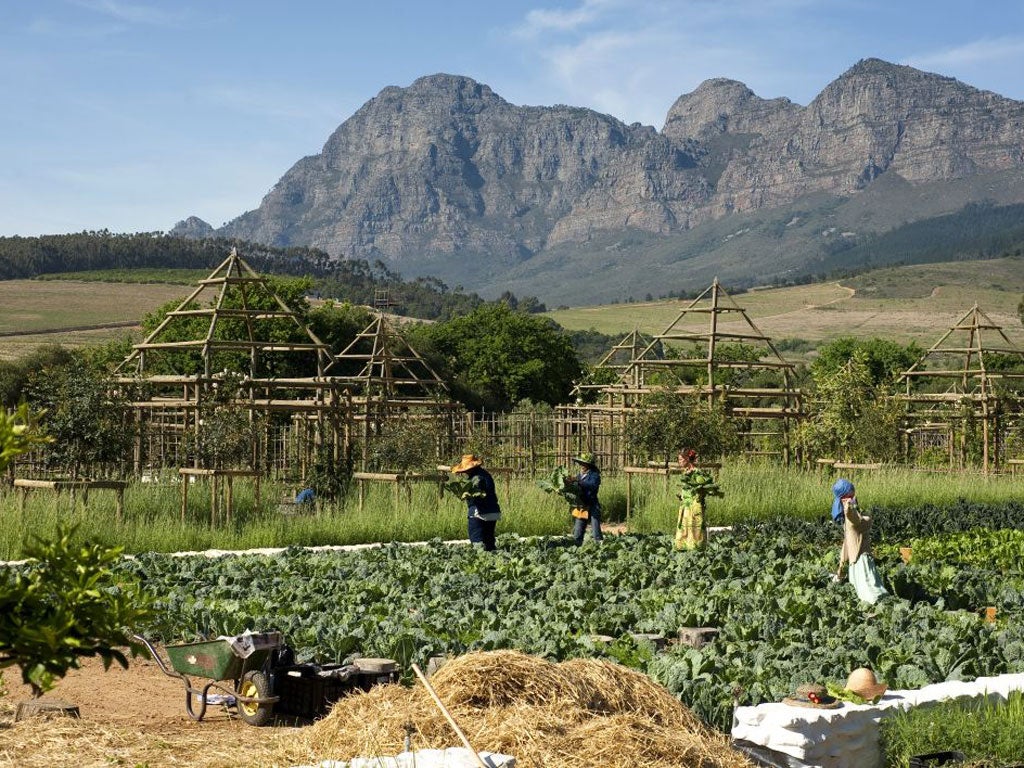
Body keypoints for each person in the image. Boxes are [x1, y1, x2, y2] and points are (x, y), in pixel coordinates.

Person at [832, 477, 888, 604]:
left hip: (858, 561)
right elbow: (852, 515)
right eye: (852, 493)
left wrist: (840, 568)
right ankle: (879, 610)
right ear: (846, 497)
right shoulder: (851, 516)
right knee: (871, 593)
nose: (855, 495)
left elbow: (846, 544)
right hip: (861, 561)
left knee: (865, 593)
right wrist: (849, 507)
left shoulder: (852, 516)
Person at [451, 454, 501, 551]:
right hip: (493, 511)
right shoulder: (485, 474)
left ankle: (481, 562)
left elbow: (477, 490)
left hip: (479, 513)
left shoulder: (476, 478)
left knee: (477, 542)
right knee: (489, 542)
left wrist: (466, 494)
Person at [674, 448, 715, 550]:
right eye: (678, 460)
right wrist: (682, 496)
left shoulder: (697, 473)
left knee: (695, 533)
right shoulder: (686, 473)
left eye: (681, 460)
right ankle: (684, 552)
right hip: (685, 507)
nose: (679, 462)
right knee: (684, 532)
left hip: (694, 507)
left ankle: (696, 554)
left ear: (687, 459)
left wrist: (696, 499)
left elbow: (702, 490)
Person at [569, 452, 602, 545]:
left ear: (589, 465)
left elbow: (592, 485)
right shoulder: (580, 475)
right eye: (581, 463)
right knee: (578, 532)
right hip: (582, 506)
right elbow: (576, 487)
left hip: (593, 506)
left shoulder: (594, 475)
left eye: (584, 464)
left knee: (596, 532)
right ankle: (576, 548)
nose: (582, 465)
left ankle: (600, 549)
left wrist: (578, 481)